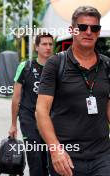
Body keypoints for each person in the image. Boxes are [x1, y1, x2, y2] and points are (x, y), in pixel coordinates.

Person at [36, 6, 110, 176]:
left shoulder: (107, 65)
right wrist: (55, 150)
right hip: (66, 158)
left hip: (102, 156)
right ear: (72, 30)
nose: (88, 32)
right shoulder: (55, 64)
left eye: (95, 28)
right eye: (82, 27)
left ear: (98, 32)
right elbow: (41, 111)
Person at [9, 33, 53, 176]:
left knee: (51, 161)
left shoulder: (56, 67)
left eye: (50, 44)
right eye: (44, 44)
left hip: (50, 121)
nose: (48, 47)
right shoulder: (26, 66)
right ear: (36, 47)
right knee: (36, 161)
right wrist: (13, 124)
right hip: (29, 121)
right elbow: (16, 97)